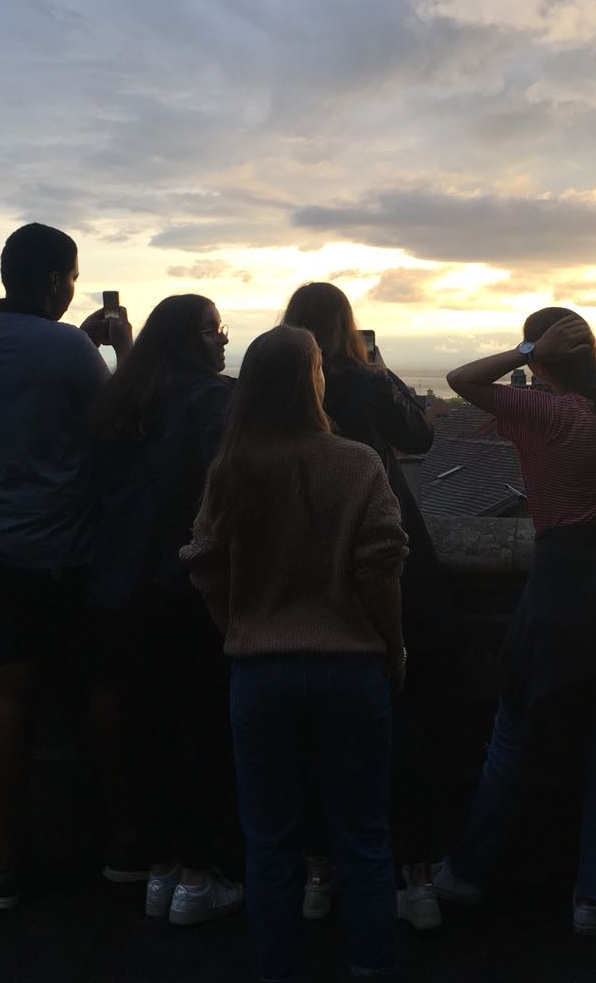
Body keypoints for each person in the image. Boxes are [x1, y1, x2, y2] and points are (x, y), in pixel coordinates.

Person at [184, 324, 408, 983]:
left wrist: (239, 630)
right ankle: (370, 966)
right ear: (314, 380)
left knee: (270, 843)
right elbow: (381, 571)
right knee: (362, 838)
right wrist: (394, 648)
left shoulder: (232, 469)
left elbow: (205, 567)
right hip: (350, 669)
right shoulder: (358, 463)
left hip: (261, 672)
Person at [433, 308, 596, 935]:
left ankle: (468, 873)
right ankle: (593, 897)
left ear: (544, 360)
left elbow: (461, 380)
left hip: (559, 594)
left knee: (511, 739)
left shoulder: (546, 414)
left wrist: (525, 349)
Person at [0, 222, 129, 910]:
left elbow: (29, 397)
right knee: (104, 691)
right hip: (65, 552)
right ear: (56, 279)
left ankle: (3, 862)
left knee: (3, 696)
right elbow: (119, 421)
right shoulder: (67, 349)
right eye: (73, 277)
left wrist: (74, 340)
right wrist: (117, 346)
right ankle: (123, 844)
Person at [282, 281, 446, 932]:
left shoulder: (278, 389)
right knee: (406, 724)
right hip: (385, 549)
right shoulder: (365, 382)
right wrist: (379, 366)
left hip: (305, 558)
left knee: (309, 734)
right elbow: (420, 437)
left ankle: (318, 870)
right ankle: (416, 875)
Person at [81, 293, 242, 924]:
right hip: (189, 586)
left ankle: (157, 869)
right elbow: (227, 489)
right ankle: (198, 876)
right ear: (185, 340)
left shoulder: (121, 401)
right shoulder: (215, 401)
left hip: (120, 587)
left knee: (145, 728)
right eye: (211, 330)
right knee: (204, 729)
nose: (222, 339)